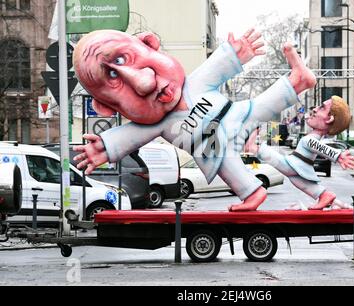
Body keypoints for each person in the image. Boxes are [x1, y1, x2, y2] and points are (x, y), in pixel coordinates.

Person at [72, 28, 318, 212]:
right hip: (212, 147)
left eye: (122, 60)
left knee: (262, 104)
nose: (144, 82)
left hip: (234, 114)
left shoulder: (195, 83)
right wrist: (104, 147)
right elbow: (126, 138)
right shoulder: (155, 124)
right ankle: (252, 193)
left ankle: (299, 80)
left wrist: (235, 53)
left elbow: (218, 65)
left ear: (150, 44)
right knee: (227, 163)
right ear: (105, 106)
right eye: (114, 79)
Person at [245, 96, 354, 210]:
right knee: (301, 183)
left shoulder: (310, 140)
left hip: (293, 165)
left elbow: (321, 148)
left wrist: (338, 156)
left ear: (329, 119)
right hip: (297, 166)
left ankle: (254, 146)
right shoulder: (311, 138)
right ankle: (326, 196)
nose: (315, 109)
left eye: (322, 108)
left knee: (273, 157)